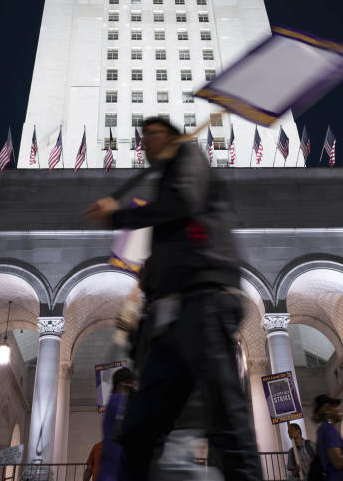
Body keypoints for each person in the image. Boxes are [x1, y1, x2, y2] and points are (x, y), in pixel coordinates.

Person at [85, 117, 262, 481]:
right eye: (142, 135)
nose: (145, 141)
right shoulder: (165, 180)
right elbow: (173, 228)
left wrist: (119, 215)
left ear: (172, 136)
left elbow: (182, 202)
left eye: (151, 133)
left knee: (225, 415)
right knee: (138, 430)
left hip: (205, 299)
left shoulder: (189, 158)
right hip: (172, 316)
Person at [98, 367, 138, 481]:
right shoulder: (120, 401)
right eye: (133, 385)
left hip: (110, 469)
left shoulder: (112, 402)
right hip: (117, 471)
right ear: (122, 384)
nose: (135, 389)